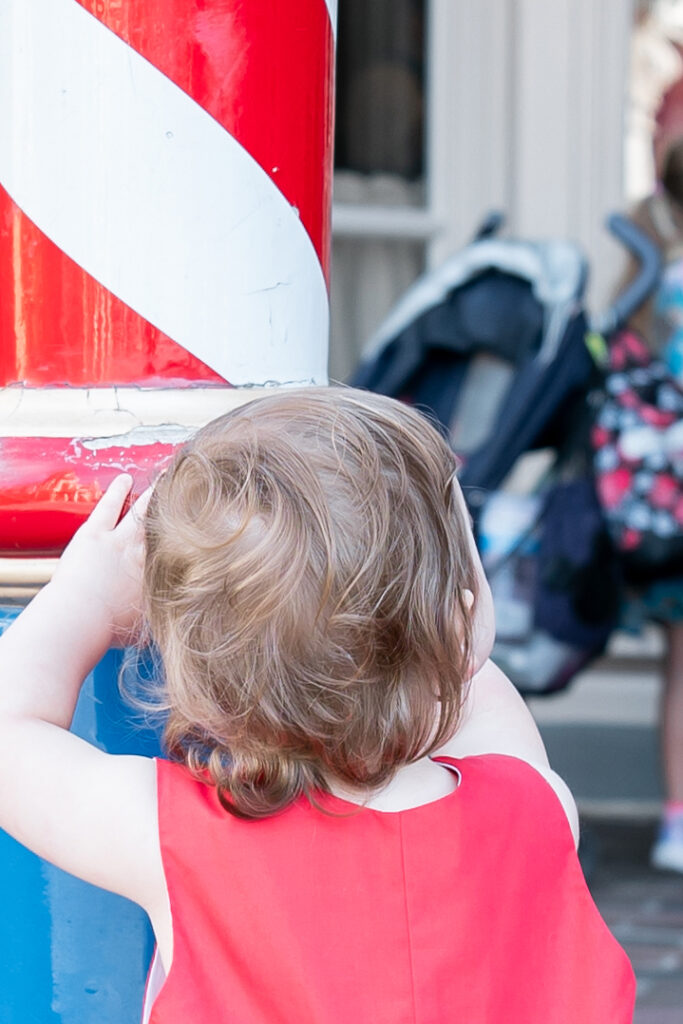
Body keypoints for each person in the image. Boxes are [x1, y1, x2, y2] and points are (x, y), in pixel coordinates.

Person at [0, 387, 634, 1022]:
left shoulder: (171, 836)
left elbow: (11, 734)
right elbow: (467, 673)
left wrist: (86, 597)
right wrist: (428, 631)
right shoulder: (539, 808)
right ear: (463, 619)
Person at [615, 137, 683, 873]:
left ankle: (675, 817)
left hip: (665, 500)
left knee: (679, 671)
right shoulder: (662, 275)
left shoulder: (649, 274)